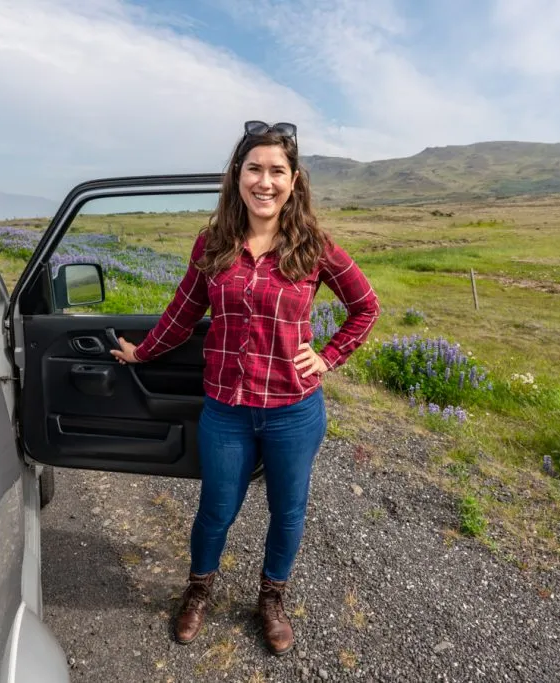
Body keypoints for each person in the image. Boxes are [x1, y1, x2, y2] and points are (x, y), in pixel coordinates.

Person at [110, 120, 380, 655]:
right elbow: (184, 313)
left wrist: (327, 357)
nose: (265, 181)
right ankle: (198, 590)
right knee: (216, 508)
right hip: (228, 411)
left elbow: (365, 307)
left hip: (293, 410)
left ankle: (271, 599)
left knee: (289, 511)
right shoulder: (213, 244)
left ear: (295, 180)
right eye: (254, 168)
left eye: (277, 170)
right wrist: (142, 352)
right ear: (236, 177)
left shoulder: (315, 247)